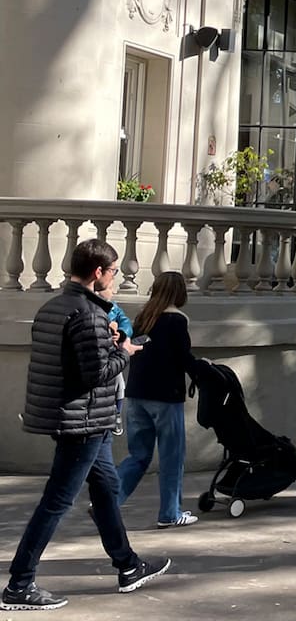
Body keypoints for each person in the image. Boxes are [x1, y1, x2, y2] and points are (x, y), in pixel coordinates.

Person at [3, 239, 169, 611]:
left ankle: (127, 565)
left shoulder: (53, 307)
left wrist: (105, 343)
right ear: (98, 272)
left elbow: (68, 361)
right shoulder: (90, 314)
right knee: (57, 501)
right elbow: (96, 374)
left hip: (70, 416)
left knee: (107, 486)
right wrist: (123, 351)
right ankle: (20, 583)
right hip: (83, 421)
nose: (113, 278)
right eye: (112, 272)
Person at [116, 272, 201, 528]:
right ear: (179, 292)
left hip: (137, 394)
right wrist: (203, 371)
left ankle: (107, 501)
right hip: (165, 397)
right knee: (171, 457)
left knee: (138, 455)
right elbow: (183, 357)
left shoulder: (143, 318)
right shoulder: (177, 320)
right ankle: (170, 513)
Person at [97, 282, 133, 437]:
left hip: (112, 354)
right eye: (109, 288)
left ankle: (117, 413)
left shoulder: (114, 308)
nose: (113, 291)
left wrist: (122, 333)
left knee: (120, 384)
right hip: (100, 356)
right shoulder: (92, 309)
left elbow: (126, 322)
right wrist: (107, 326)